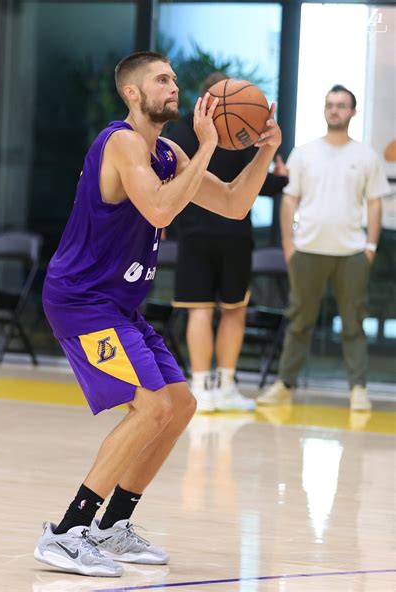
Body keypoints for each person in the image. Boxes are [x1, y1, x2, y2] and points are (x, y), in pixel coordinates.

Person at [35, 51, 281, 577]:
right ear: (132, 92)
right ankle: (68, 532)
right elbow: (163, 210)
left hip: (116, 303)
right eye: (162, 80)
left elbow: (236, 204)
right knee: (150, 407)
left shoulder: (166, 152)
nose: (174, 87)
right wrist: (210, 146)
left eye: (174, 79)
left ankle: (111, 526)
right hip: (81, 301)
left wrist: (264, 152)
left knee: (179, 404)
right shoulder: (120, 142)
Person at [256, 84, 390, 411]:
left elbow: (374, 204)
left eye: (342, 105)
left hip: (352, 253)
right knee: (299, 320)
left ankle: (358, 389)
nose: (335, 110)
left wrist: (370, 245)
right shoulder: (304, 153)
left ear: (353, 112)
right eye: (330, 104)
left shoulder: (367, 156)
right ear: (325, 109)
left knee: (354, 322)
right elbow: (289, 201)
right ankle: (284, 385)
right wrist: (289, 244)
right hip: (308, 250)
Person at [167, 72, 288, 413]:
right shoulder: (247, 133)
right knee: (233, 311)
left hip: (193, 234)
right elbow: (261, 185)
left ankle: (202, 387)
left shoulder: (180, 135)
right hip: (234, 235)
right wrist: (281, 180)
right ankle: (226, 384)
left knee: (200, 312)